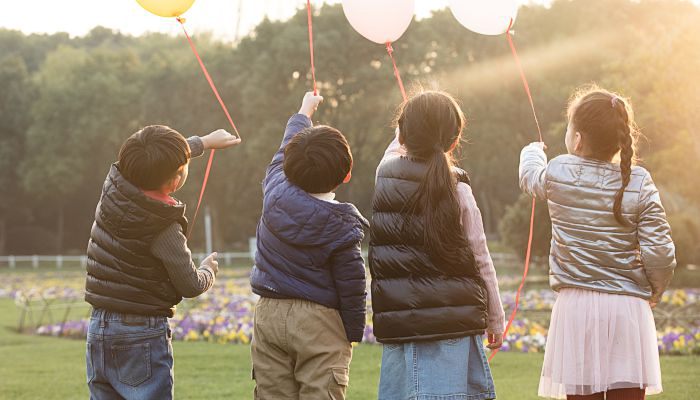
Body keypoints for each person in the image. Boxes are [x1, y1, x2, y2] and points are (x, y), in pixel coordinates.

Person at [519, 85, 676, 400]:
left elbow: (529, 178)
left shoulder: (558, 170)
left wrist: (532, 151)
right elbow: (660, 251)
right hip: (628, 308)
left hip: (577, 307)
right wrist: (656, 288)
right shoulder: (639, 180)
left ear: (577, 138)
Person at [84, 125, 240, 399]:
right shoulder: (162, 225)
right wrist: (208, 271)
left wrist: (203, 142)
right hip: (141, 333)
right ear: (175, 179)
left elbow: (150, 160)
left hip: (99, 325)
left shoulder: (113, 188)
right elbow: (190, 285)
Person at [370, 90, 505, 400]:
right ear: (454, 140)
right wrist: (495, 317)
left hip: (402, 327)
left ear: (402, 134)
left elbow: (397, 146)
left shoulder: (384, 175)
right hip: (454, 325)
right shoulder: (458, 188)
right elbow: (480, 258)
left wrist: (407, 125)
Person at [250, 92, 369, 400]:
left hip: (269, 313)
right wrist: (353, 331)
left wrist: (303, 111)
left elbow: (286, 143)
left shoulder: (274, 187)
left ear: (288, 163)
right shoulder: (342, 227)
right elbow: (352, 284)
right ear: (346, 175)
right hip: (319, 322)